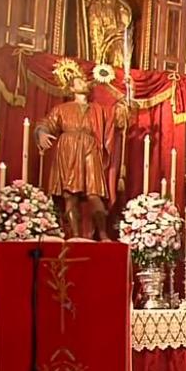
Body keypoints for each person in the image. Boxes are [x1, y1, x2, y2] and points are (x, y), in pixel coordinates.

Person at [37, 58, 124, 239]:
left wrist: (125, 101)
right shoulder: (62, 109)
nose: (84, 83)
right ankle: (75, 236)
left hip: (90, 149)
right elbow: (47, 123)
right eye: (79, 82)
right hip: (68, 149)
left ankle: (103, 235)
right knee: (70, 195)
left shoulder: (98, 109)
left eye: (84, 81)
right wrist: (42, 133)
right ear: (72, 88)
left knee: (95, 193)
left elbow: (116, 119)